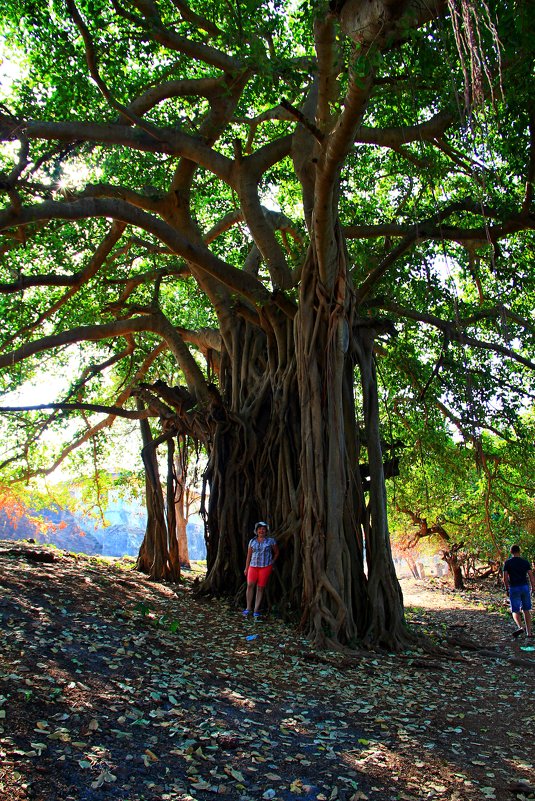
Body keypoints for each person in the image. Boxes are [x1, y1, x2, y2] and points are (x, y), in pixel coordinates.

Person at [243, 521, 279, 618]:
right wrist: (246, 568)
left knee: (260, 587)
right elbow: (249, 555)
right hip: (253, 566)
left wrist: (272, 562)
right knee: (250, 585)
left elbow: (276, 552)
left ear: (266, 531)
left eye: (263, 529)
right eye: (259, 529)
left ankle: (256, 609)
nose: (261, 531)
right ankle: (248, 608)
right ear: (256, 530)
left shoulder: (271, 541)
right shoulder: (252, 541)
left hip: (265, 567)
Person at [503, 544, 535, 638]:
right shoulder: (525, 562)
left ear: (511, 552)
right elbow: (531, 576)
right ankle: (529, 632)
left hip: (514, 588)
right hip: (524, 587)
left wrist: (507, 588)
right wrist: (533, 587)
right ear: (519, 551)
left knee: (515, 610)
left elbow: (505, 578)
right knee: (526, 610)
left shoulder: (508, 563)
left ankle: (521, 627)